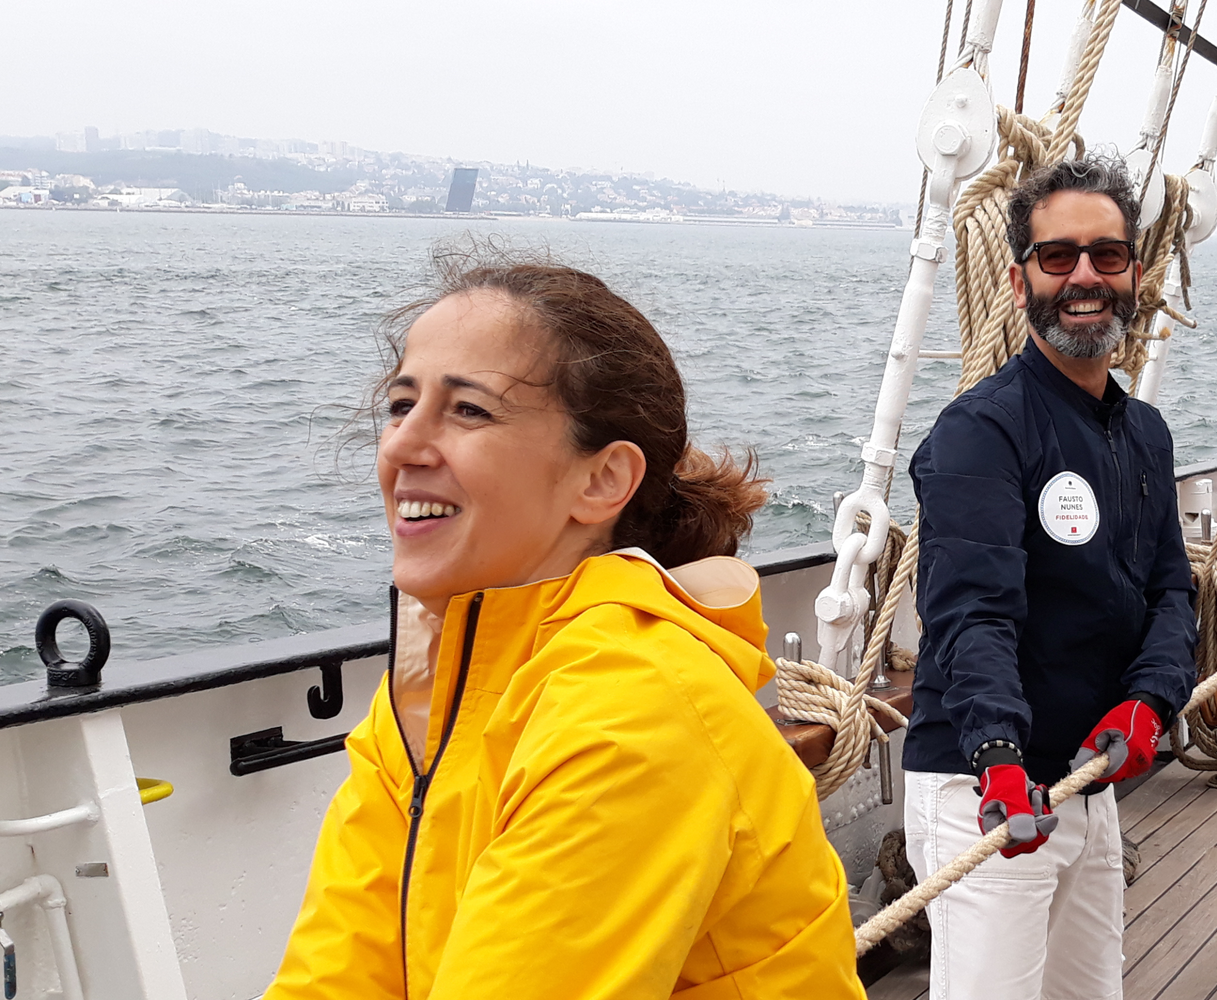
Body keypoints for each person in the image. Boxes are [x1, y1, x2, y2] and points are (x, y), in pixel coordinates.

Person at [267, 253, 865, 999]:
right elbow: (335, 974)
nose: (401, 446)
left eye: (469, 410)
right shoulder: (427, 697)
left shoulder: (637, 708)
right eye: (401, 404)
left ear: (603, 480)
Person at [902, 155, 1198, 1000]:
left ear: (1134, 273)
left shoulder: (1144, 433)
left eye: (1108, 255)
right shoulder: (981, 432)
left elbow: (1170, 591)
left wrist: (1150, 699)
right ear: (1019, 278)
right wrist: (998, 754)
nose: (1084, 277)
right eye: (1058, 256)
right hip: (986, 784)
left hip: (1085, 779)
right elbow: (971, 611)